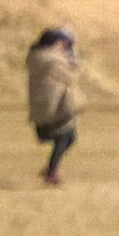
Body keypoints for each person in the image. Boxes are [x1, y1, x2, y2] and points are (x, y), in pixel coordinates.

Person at [26, 27, 82, 187]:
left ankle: (51, 168)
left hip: (45, 109)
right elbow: (71, 74)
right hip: (54, 109)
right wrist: (72, 58)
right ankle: (51, 172)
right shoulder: (53, 61)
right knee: (65, 137)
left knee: (68, 137)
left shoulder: (38, 58)